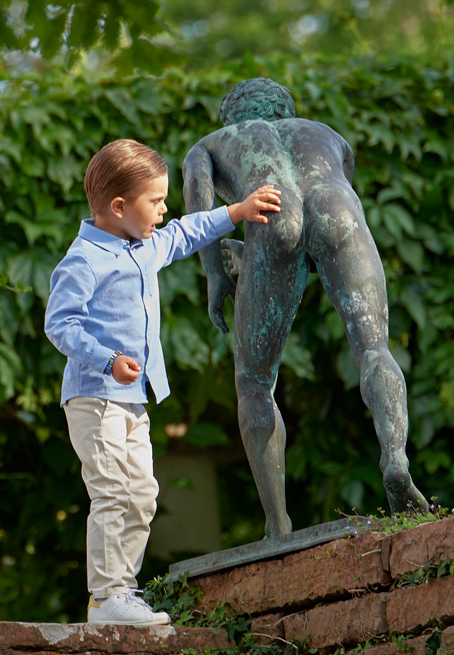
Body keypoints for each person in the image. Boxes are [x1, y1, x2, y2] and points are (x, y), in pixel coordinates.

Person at [44, 139, 280, 625]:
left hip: (132, 401)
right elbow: (60, 324)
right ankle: (106, 596)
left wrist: (236, 210)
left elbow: (187, 232)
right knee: (112, 492)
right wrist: (106, 359)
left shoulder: (145, 245)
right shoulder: (85, 259)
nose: (163, 208)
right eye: (155, 201)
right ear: (118, 206)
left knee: (144, 493)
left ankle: (121, 594)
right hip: (94, 398)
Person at [182, 78, 428, 538]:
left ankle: (278, 523)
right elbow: (321, 236)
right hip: (337, 205)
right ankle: (395, 458)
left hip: (271, 212)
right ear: (286, 109)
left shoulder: (211, 144)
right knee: (374, 347)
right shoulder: (328, 134)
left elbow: (200, 203)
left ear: (233, 116)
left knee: (254, 383)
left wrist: (215, 272)